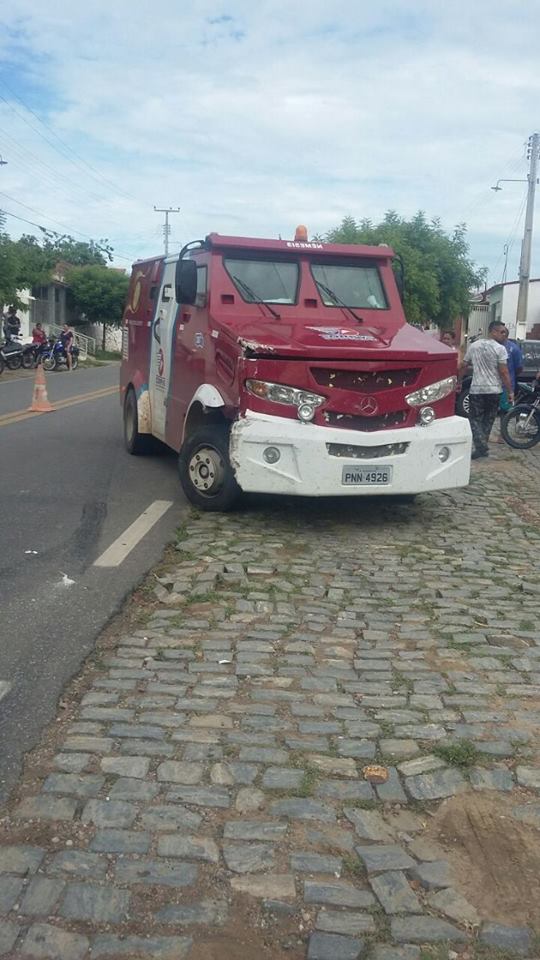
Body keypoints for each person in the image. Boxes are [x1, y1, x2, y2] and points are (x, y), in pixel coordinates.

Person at [458, 320, 514, 460]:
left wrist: (459, 381)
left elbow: (464, 365)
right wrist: (510, 391)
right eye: (501, 332)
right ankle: (482, 446)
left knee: (475, 419)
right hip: (494, 390)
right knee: (488, 420)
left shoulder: (474, 346)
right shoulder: (500, 349)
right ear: (492, 331)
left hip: (477, 389)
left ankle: (480, 447)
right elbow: (504, 372)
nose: (503, 335)